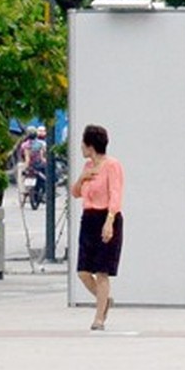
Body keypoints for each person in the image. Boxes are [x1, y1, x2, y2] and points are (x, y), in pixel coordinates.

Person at [71, 124, 124, 331]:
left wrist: (109, 221)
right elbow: (76, 193)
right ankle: (105, 300)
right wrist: (81, 179)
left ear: (90, 145)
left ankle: (99, 317)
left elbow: (116, 194)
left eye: (83, 144)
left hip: (106, 217)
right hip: (89, 218)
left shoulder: (112, 165)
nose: (81, 148)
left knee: (102, 271)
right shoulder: (87, 168)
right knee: (83, 271)